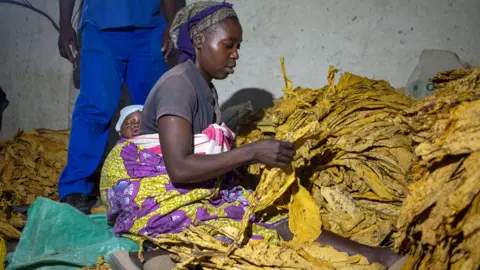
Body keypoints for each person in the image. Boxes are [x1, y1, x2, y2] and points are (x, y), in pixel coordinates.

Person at [100, 1, 402, 267]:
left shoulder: (204, 87)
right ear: (200, 40)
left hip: (188, 180)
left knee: (274, 214)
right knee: (242, 232)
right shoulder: (178, 86)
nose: (235, 55)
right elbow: (178, 168)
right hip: (151, 190)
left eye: (238, 47)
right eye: (228, 45)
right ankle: (152, 260)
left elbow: (204, 155)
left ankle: (378, 257)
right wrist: (252, 152)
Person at [57, 0, 177, 214]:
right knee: (95, 107)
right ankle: (75, 188)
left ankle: (158, 179)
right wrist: (65, 23)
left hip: (149, 27)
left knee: (153, 108)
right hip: (100, 26)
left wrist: (171, 22)